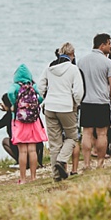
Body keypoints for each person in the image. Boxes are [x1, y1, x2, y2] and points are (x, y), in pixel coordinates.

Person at [38, 43, 84, 181]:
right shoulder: (73, 69)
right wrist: (76, 103)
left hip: (50, 107)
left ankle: (56, 175)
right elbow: (78, 92)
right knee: (72, 137)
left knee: (55, 143)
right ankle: (61, 160)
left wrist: (46, 98)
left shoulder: (49, 68)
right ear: (72, 54)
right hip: (67, 107)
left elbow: (40, 87)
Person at [76, 34, 111, 170]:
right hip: (101, 101)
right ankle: (100, 163)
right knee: (102, 134)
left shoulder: (82, 61)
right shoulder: (107, 62)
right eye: (109, 44)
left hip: (86, 101)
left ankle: (87, 163)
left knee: (87, 133)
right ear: (102, 45)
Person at [7, 64, 46, 183]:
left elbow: (9, 93)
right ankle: (34, 177)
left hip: (19, 121)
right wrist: (37, 103)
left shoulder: (15, 86)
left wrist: (14, 104)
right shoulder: (32, 85)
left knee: (22, 151)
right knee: (32, 150)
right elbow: (42, 94)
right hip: (33, 120)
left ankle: (23, 179)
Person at [0, 93, 44, 167]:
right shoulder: (27, 112)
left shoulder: (10, 116)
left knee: (6, 141)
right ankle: (36, 161)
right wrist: (7, 110)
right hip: (36, 146)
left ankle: (22, 162)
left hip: (21, 146)